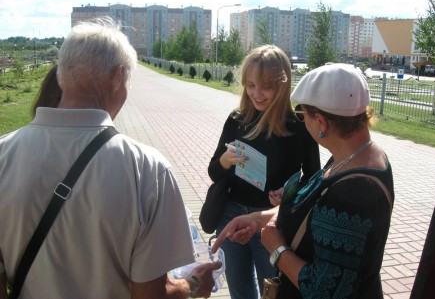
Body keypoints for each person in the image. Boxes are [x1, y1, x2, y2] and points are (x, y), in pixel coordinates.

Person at [0, 17, 221, 299]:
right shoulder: (148, 170)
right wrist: (191, 284)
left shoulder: (4, 155)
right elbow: (152, 295)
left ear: (60, 76)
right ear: (119, 76)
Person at [212, 62, 395, 298]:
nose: (301, 120)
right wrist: (257, 219)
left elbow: (323, 290)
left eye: (302, 114)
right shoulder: (353, 157)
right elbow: (312, 209)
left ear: (322, 122)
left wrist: (277, 249)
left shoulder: (353, 194)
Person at [207, 45, 320, 299]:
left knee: (274, 293)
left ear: (283, 84)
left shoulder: (299, 126)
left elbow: (314, 180)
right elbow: (214, 172)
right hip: (232, 215)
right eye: (250, 85)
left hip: (272, 225)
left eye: (266, 86)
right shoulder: (238, 119)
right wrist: (226, 160)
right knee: (240, 290)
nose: (256, 94)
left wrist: (290, 194)